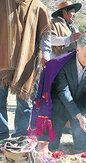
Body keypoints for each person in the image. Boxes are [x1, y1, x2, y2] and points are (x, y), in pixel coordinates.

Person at [29, 32, 86, 153]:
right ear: (78, 50)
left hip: (81, 105)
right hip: (60, 106)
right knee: (51, 146)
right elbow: (63, 92)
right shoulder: (62, 63)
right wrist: (78, 115)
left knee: (84, 147)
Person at [0, 0, 51, 140]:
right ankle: (2, 137)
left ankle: (21, 136)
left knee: (23, 103)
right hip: (1, 62)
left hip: (26, 64)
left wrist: (46, 54)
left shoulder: (38, 7)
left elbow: (45, 35)